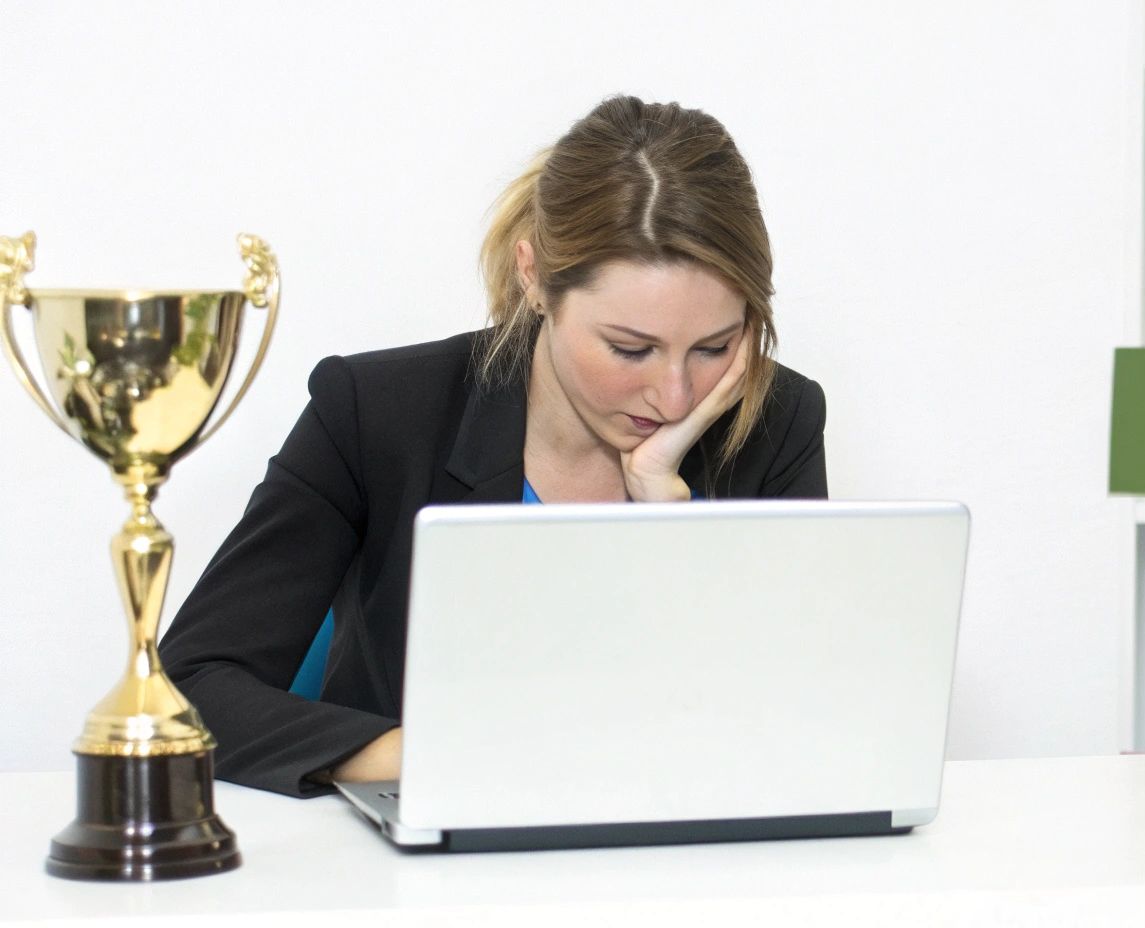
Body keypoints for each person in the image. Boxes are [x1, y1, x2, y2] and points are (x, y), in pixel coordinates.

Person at [160, 96, 828, 797]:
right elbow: (189, 687)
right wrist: (426, 759)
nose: (676, 398)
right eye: (630, 349)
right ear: (534, 279)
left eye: (714, 347)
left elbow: (803, 714)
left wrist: (672, 524)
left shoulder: (776, 423)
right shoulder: (377, 413)